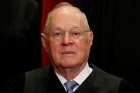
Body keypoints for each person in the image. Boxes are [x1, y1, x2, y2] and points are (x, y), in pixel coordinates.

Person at [24, 2, 136, 93]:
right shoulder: (23, 86)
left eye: (75, 33)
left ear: (90, 39)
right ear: (44, 42)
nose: (66, 41)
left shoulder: (120, 89)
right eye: (57, 34)